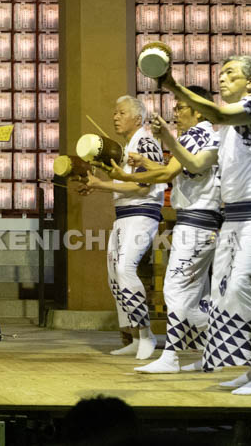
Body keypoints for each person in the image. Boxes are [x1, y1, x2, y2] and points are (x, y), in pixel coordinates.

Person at [157, 56, 251, 396]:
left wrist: (173, 86)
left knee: (243, 285)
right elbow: (196, 162)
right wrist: (169, 140)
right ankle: (249, 370)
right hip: (233, 216)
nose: (223, 78)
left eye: (231, 73)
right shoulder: (228, 130)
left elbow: (215, 112)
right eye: (221, 74)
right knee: (223, 292)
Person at [105, 87, 221, 373]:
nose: (176, 113)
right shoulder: (203, 135)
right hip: (201, 221)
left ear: (197, 109)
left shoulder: (196, 134)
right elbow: (170, 169)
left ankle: (179, 352)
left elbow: (167, 174)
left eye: (181, 108)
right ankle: (214, 351)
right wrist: (139, 167)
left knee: (174, 290)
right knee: (189, 295)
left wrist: (122, 176)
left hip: (195, 221)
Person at [79, 96, 166, 360]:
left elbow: (143, 186)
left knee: (125, 269)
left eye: (121, 113)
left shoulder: (147, 143)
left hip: (142, 212)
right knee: (114, 277)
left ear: (138, 118)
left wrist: (102, 185)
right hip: (124, 215)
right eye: (114, 113)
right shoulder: (128, 146)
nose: (115, 117)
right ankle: (134, 337)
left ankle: (147, 334)